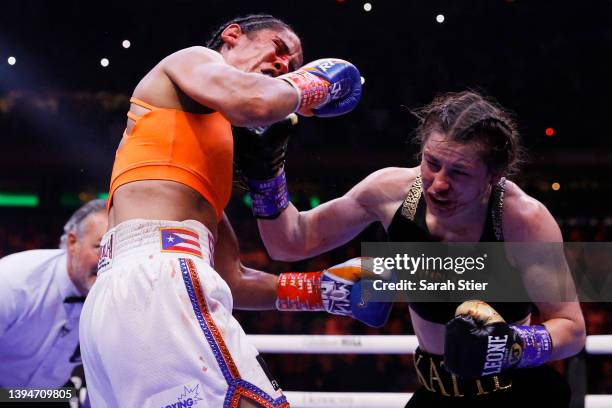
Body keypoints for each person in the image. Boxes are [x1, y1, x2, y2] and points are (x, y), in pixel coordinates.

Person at [79, 13, 382, 408]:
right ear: (233, 36)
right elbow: (255, 101)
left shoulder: (201, 152)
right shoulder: (192, 61)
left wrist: (318, 290)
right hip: (158, 279)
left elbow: (232, 278)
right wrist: (317, 81)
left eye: (293, 64)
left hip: (122, 299)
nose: (285, 65)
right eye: (279, 48)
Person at [241, 90, 586, 407]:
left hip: (519, 394)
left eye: (459, 172)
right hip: (435, 394)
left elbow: (571, 329)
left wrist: (511, 345)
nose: (439, 184)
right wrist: (267, 179)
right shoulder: (391, 192)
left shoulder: (521, 219)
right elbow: (290, 242)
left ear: (493, 176)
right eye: (432, 162)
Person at [0, 199, 107, 390]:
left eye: (117, 250)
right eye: (100, 247)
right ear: (73, 242)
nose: (108, 260)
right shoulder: (12, 280)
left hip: (53, 395)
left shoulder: (122, 299)